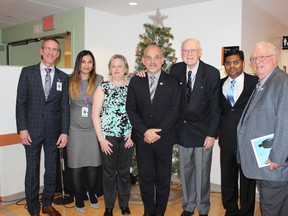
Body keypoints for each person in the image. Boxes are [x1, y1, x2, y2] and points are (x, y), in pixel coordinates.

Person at [16, 38, 70, 216]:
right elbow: (21, 103)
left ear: (58, 54)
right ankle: (33, 208)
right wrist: (22, 128)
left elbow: (64, 107)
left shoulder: (63, 77)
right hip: (31, 131)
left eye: (55, 49)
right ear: (41, 50)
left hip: (53, 132)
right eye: (48, 48)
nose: (51, 52)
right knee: (32, 170)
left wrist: (64, 132)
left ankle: (47, 204)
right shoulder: (27, 72)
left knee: (51, 169)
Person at [126, 45, 181, 216]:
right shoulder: (136, 81)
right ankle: (149, 212)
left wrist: (157, 132)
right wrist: (145, 132)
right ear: (143, 60)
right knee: (146, 179)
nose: (152, 61)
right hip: (143, 140)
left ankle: (160, 213)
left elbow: (175, 110)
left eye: (156, 57)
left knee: (163, 180)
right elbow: (131, 110)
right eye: (148, 57)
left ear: (162, 60)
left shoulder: (172, 81)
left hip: (164, 139)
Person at [170, 38, 221, 216]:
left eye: (193, 50)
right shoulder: (175, 70)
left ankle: (203, 207)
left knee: (202, 173)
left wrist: (211, 134)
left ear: (200, 52)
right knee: (186, 171)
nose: (189, 54)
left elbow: (216, 108)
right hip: (183, 130)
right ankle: (189, 205)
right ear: (181, 52)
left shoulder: (212, 73)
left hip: (203, 131)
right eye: (185, 51)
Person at [237, 41, 288, 216]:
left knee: (271, 210)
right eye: (254, 58)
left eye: (262, 57)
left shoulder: (282, 82)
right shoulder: (264, 83)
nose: (257, 61)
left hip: (274, 167)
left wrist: (277, 158)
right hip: (264, 164)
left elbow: (285, 123)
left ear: (274, 59)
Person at [92, 54, 134, 216]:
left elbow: (137, 113)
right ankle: (109, 206)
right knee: (109, 173)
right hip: (107, 137)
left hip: (127, 137)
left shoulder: (132, 87)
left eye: (120, 66)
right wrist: (101, 139)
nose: (116, 69)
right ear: (110, 68)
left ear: (125, 69)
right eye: (113, 66)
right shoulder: (103, 87)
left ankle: (124, 205)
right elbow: (95, 114)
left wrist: (132, 134)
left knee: (124, 172)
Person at [219, 49, 257, 216]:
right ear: (225, 65)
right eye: (228, 63)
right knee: (228, 178)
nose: (232, 66)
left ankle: (247, 211)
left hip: (247, 139)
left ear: (243, 63)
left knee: (247, 179)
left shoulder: (254, 82)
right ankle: (231, 209)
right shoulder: (220, 84)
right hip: (226, 139)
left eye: (236, 62)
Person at [66, 50, 103, 213]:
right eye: (83, 61)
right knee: (76, 165)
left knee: (93, 164)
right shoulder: (70, 80)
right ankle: (78, 195)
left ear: (93, 64)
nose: (86, 65)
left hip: (93, 129)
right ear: (78, 63)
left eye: (90, 62)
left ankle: (92, 192)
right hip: (74, 129)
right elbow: (64, 106)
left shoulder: (100, 80)